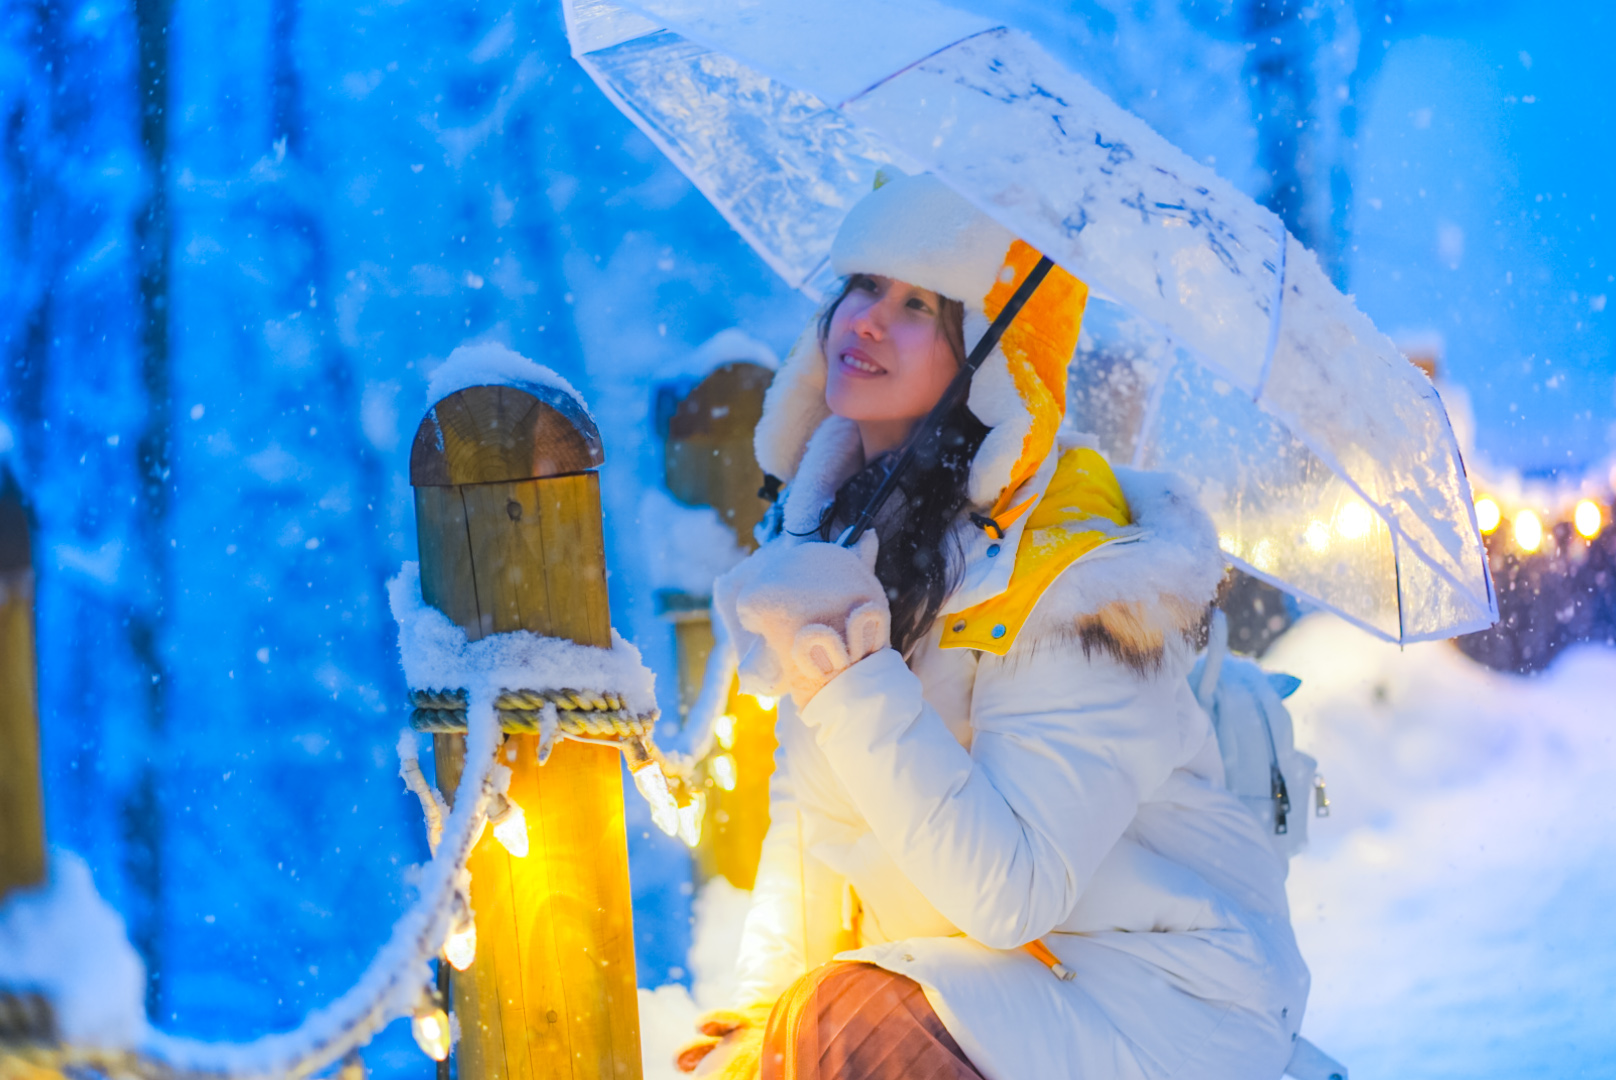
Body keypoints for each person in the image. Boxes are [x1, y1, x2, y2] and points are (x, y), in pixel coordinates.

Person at [676, 172, 1309, 1080]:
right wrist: (756, 1009)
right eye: (863, 285)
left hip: (1158, 995)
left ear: (993, 361)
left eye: (920, 306)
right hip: (988, 987)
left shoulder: (1078, 582)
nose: (866, 321)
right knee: (764, 1048)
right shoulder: (851, 538)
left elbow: (1009, 895)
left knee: (840, 1024)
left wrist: (849, 676)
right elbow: (815, 817)